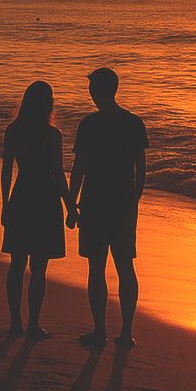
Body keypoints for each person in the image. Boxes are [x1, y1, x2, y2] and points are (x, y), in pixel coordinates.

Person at [68, 67, 149, 348]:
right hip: (124, 203)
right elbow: (141, 165)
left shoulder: (89, 124)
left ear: (96, 91)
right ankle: (126, 332)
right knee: (125, 266)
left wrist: (70, 202)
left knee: (97, 266)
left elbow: (80, 167)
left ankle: (99, 330)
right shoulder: (133, 122)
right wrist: (135, 196)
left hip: (94, 202)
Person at [0, 81, 77, 340]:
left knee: (17, 263)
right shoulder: (52, 135)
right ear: (48, 104)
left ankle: (14, 322)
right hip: (45, 200)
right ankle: (33, 323)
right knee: (38, 267)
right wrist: (70, 206)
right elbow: (58, 175)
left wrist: (5, 204)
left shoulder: (13, 131)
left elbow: (5, 170)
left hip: (21, 196)